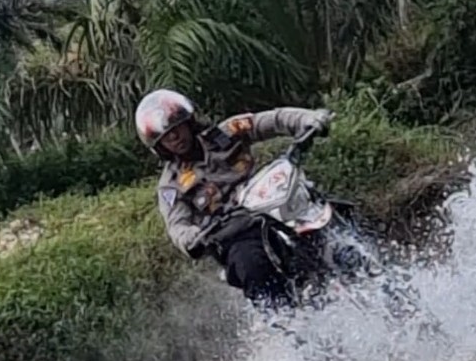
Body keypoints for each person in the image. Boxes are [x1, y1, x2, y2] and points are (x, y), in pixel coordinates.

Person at [134, 88, 333, 302]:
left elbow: (272, 120)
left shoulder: (227, 132)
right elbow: (176, 225)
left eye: (176, 127)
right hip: (235, 232)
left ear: (188, 121)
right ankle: (281, 318)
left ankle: (361, 258)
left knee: (328, 207)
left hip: (274, 203)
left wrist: (308, 119)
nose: (174, 137)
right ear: (159, 146)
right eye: (165, 137)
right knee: (250, 264)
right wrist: (192, 237)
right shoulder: (170, 186)